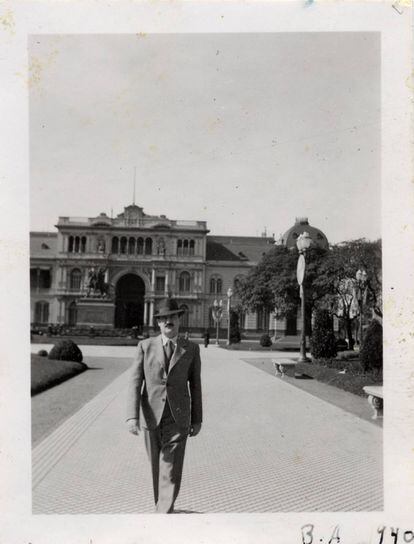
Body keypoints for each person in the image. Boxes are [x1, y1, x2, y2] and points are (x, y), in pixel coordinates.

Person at [126, 298, 203, 514]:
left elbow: (196, 386)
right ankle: (160, 506)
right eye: (164, 318)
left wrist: (197, 419)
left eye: (172, 317)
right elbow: (135, 381)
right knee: (156, 466)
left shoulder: (192, 349)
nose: (168, 321)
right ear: (158, 323)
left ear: (179, 319)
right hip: (151, 415)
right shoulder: (145, 346)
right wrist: (131, 416)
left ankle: (163, 513)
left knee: (170, 467)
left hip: (178, 418)